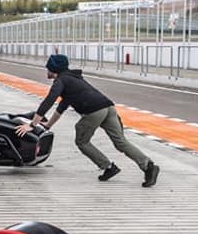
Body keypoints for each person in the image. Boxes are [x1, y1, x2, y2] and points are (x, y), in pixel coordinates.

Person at [16, 54, 160, 187]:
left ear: (53, 68)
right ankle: (149, 166)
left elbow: (49, 101)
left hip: (94, 111)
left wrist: (32, 124)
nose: (46, 70)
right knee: (120, 142)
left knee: (82, 141)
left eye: (48, 67)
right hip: (109, 108)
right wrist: (48, 125)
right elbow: (61, 107)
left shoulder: (61, 81)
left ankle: (108, 167)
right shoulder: (73, 79)